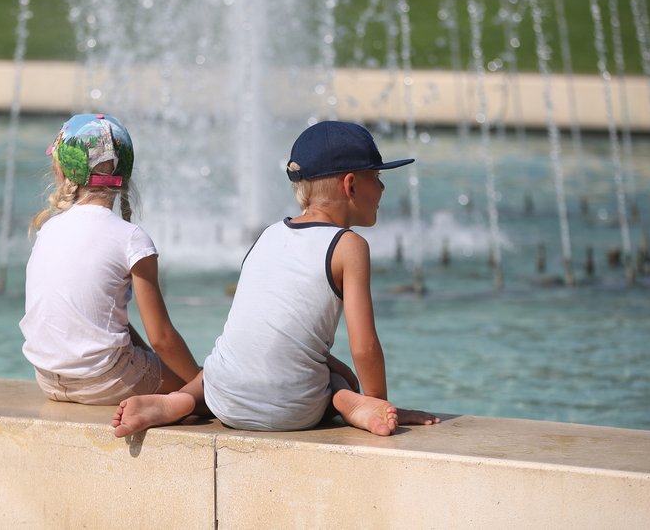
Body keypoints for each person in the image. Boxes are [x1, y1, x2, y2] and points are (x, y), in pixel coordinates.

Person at [112, 120, 440, 437]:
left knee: (227, 360)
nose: (382, 187)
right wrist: (378, 400)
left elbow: (266, 328)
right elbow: (364, 346)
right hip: (294, 409)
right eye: (377, 176)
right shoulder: (349, 246)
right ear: (351, 184)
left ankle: (179, 401)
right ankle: (349, 403)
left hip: (223, 398)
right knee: (338, 380)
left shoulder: (268, 235)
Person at [20, 113, 201, 405]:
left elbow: (97, 323)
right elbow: (162, 338)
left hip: (48, 380)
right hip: (107, 380)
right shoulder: (130, 238)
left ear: (62, 171)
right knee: (196, 387)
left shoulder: (49, 228)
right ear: (125, 174)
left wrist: (153, 362)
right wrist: (200, 384)